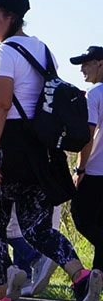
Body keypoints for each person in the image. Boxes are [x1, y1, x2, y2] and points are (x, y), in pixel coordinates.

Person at [0, 0, 101, 301]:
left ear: (11, 17)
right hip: (42, 152)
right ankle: (81, 276)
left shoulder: (3, 53)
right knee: (36, 226)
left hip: (8, 146)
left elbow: (0, 104)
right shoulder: (44, 51)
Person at [70, 45, 103, 277]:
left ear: (101, 64)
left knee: (80, 217)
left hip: (95, 172)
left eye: (86, 63)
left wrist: (79, 168)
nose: (82, 69)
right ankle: (97, 279)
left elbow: (87, 136)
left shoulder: (94, 94)